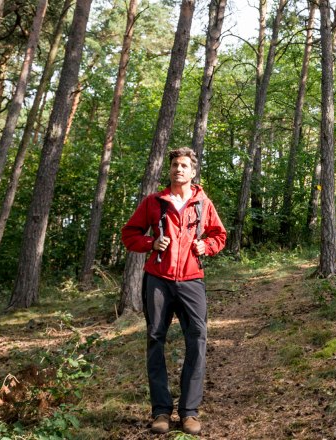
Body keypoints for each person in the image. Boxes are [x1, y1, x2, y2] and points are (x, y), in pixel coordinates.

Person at [122, 147, 226, 435]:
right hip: (157, 279)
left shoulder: (203, 203)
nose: (178, 169)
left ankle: (190, 412)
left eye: (184, 165)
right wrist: (151, 244)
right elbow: (129, 233)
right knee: (156, 339)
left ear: (193, 172)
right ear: (170, 171)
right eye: (175, 165)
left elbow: (220, 235)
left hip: (192, 280)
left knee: (198, 339)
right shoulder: (154, 202)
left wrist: (207, 246)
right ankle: (161, 411)